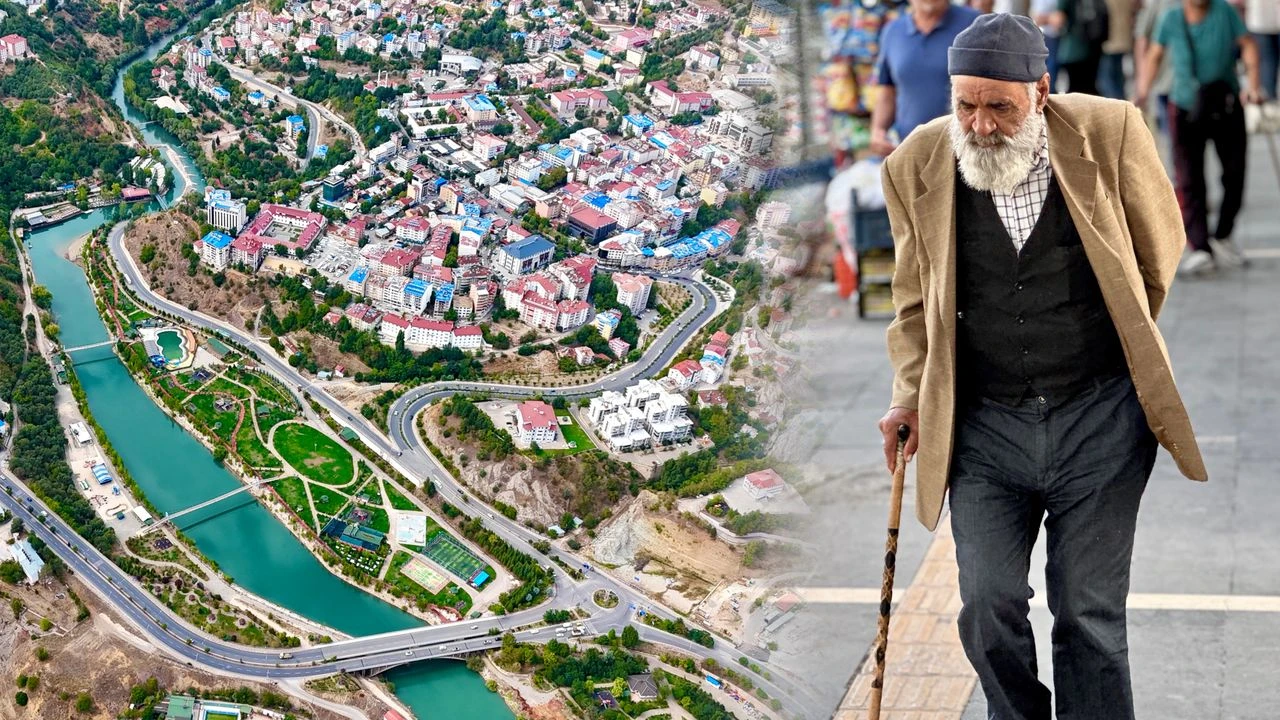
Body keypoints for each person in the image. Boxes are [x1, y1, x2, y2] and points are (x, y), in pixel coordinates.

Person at [878, 13, 1208, 719]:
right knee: (987, 603)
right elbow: (913, 302)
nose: (982, 124)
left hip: (1100, 416)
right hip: (984, 425)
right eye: (966, 104)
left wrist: (1124, 322)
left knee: (1087, 611)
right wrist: (908, 396)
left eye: (1000, 105)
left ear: (1042, 92)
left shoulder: (1110, 131)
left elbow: (1159, 245)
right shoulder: (917, 163)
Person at [1137, 0, 1263, 275]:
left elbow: (1249, 44)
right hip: (1184, 106)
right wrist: (1143, 92)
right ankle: (1199, 246)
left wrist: (1253, 85)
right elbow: (1154, 54)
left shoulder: (1224, 12)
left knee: (1235, 173)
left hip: (1225, 102)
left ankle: (1223, 235)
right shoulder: (1171, 19)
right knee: (1188, 178)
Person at [869, 0, 981, 155]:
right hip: (910, 150)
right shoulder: (892, 32)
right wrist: (878, 130)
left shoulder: (975, 24)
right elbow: (888, 90)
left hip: (963, 150)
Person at [1053, 0, 1110, 92]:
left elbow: (1058, 20)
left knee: (1074, 92)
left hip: (1073, 49)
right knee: (1090, 88)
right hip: (1094, 45)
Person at [1098, 0, 1137, 97]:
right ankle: (1120, 105)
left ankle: (1113, 108)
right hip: (1123, 39)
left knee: (1106, 81)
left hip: (1108, 41)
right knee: (1118, 79)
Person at [1247, 0, 1280, 99]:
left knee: (1267, 63)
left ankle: (1270, 99)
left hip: (1260, 22)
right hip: (1260, 23)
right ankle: (1270, 98)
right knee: (1267, 64)